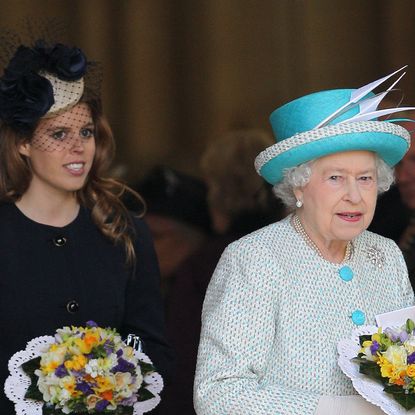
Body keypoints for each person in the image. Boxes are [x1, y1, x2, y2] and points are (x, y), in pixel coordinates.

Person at [194, 69, 415, 414]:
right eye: (336, 178)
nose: (354, 196)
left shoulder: (385, 254)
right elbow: (219, 393)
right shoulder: (253, 259)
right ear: (299, 184)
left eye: (366, 178)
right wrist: (344, 410)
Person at [0, 35, 173, 412]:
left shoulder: (123, 230)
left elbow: (149, 341)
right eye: (59, 134)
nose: (78, 147)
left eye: (86, 132)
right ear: (22, 144)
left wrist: (123, 381)